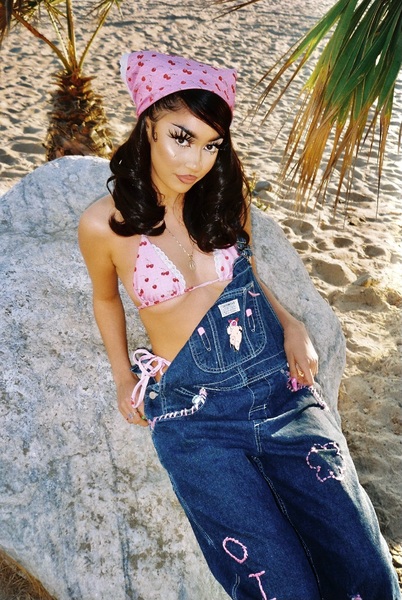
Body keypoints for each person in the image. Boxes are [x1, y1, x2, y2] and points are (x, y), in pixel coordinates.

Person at [78, 50, 401, 600]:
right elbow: (106, 299)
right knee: (277, 584)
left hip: (281, 390)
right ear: (148, 123)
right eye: (182, 137)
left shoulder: (224, 202)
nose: (197, 160)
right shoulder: (103, 225)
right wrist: (121, 376)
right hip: (196, 417)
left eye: (212, 144)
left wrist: (292, 323)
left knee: (362, 562)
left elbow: (245, 277)